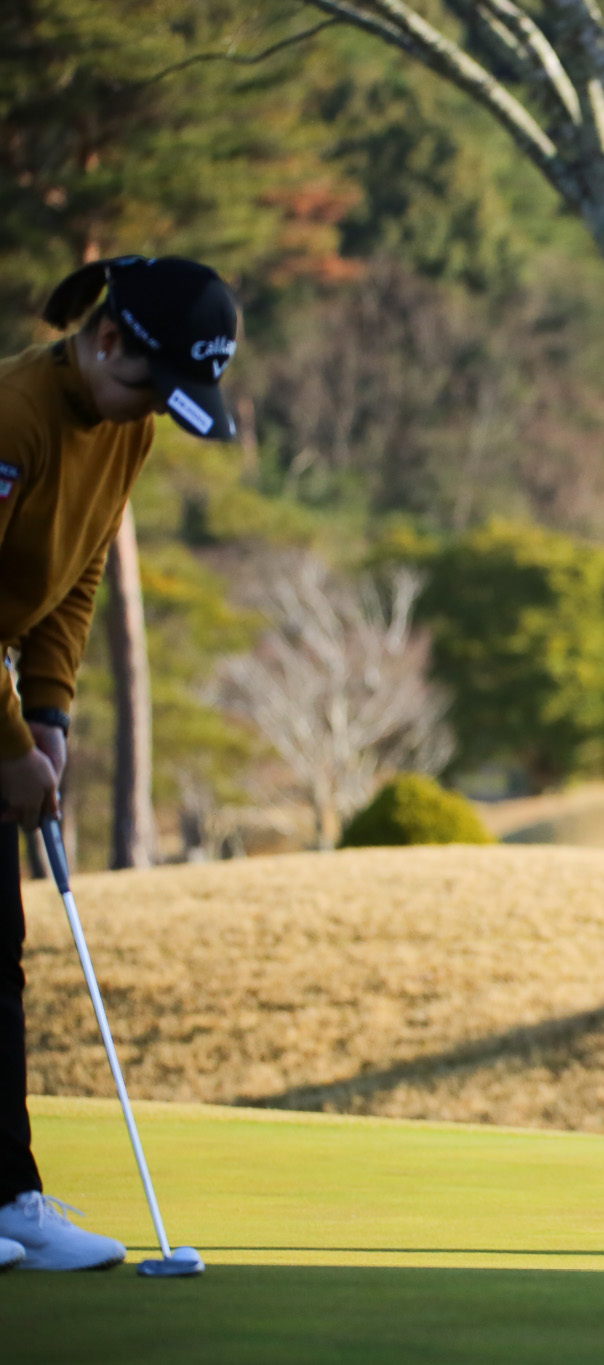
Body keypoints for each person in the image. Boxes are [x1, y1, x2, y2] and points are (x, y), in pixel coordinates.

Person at [0, 256, 242, 1271]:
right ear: (107, 340)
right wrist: (11, 746)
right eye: (150, 380)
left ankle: (11, 1200)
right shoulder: (15, 415)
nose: (153, 409)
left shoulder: (127, 427)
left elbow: (82, 567)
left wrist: (50, 712)